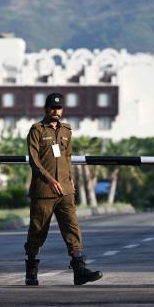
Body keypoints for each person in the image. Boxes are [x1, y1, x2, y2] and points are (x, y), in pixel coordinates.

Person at [23, 92, 103, 286]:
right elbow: (34, 161)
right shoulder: (37, 130)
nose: (55, 111)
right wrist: (50, 180)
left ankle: (79, 269)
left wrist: (70, 180)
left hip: (65, 191)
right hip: (43, 191)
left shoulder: (66, 130)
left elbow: (67, 158)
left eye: (58, 108)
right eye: (52, 108)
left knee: (72, 229)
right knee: (37, 231)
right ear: (45, 109)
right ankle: (31, 269)